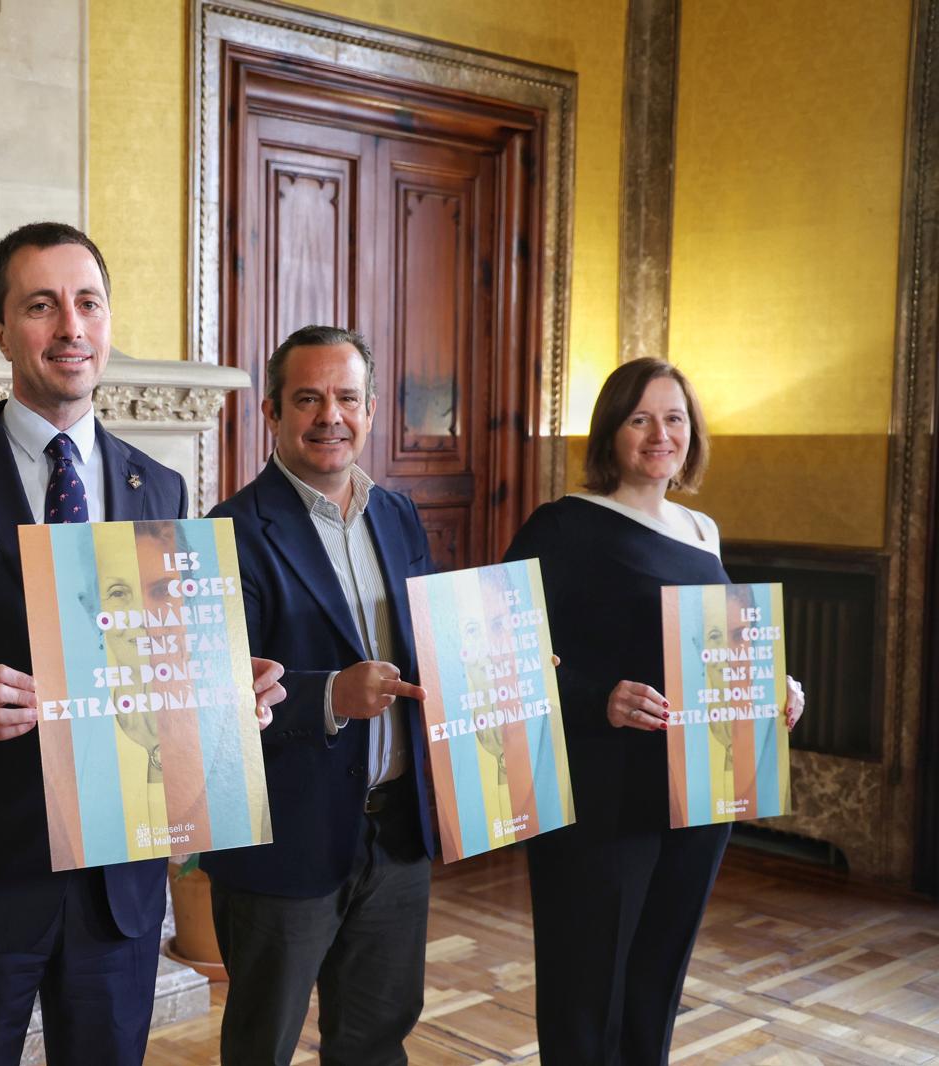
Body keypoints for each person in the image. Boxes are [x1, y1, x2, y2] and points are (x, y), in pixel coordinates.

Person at [0, 221, 284, 1066]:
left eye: (88, 303)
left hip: (117, 891)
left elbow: (158, 662)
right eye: (41, 306)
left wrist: (225, 694)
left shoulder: (159, 487)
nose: (71, 327)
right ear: (0, 330)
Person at [503, 357, 805, 1066]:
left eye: (674, 419)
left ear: (692, 433)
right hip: (600, 797)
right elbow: (500, 652)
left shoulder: (702, 529)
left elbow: (715, 649)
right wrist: (598, 697)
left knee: (655, 982)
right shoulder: (563, 526)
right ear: (611, 431)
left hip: (698, 794)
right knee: (586, 990)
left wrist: (772, 686)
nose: (659, 434)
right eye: (640, 419)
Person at [204, 325, 438, 1066]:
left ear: (370, 410)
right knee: (261, 1047)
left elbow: (431, 638)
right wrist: (330, 695)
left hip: (396, 834)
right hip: (285, 839)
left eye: (346, 398)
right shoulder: (228, 531)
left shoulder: (398, 514)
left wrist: (496, 658)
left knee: (376, 1042)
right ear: (272, 412)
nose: (329, 416)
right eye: (307, 398)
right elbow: (212, 700)